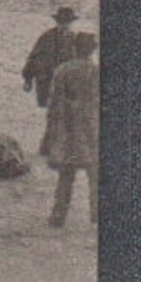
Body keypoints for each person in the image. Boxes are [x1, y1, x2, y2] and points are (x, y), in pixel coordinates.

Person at [44, 32, 99, 227]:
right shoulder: (96, 71)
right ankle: (97, 215)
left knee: (66, 176)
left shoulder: (62, 70)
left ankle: (58, 216)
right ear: (93, 50)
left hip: (68, 130)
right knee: (95, 175)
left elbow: (53, 105)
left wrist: (51, 134)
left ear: (74, 48)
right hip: (91, 130)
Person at [22, 6, 81, 109]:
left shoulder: (74, 39)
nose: (65, 25)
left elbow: (79, 61)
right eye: (62, 22)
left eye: (68, 22)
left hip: (65, 83)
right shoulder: (47, 37)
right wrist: (28, 79)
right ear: (57, 22)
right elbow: (34, 57)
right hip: (47, 81)